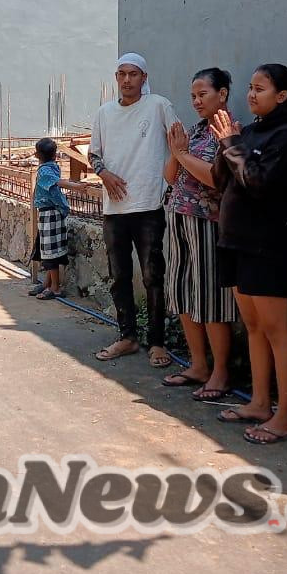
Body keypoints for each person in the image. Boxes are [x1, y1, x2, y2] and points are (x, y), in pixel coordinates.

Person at [210, 64, 287, 446]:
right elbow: (222, 179)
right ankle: (259, 402)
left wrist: (232, 144)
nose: (252, 95)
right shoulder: (248, 131)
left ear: (281, 96)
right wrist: (227, 142)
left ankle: (284, 415)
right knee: (252, 326)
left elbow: (257, 181)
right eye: (250, 88)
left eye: (260, 89)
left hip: (269, 243)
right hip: (236, 240)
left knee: (276, 329)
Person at [89, 53, 179, 366]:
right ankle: (127, 336)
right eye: (122, 74)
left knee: (154, 275)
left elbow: (179, 145)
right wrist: (103, 173)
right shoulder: (104, 113)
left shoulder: (158, 106)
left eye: (134, 74)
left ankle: (157, 343)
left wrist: (169, 183)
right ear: (116, 78)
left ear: (144, 77)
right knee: (119, 276)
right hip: (114, 208)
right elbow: (94, 154)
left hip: (149, 205)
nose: (127, 80)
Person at [159, 68, 237, 402]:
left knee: (210, 298)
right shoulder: (194, 131)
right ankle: (197, 364)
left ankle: (220, 372)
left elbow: (214, 179)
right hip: (178, 217)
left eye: (203, 94)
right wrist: (176, 153)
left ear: (222, 94)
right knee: (183, 292)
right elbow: (169, 176)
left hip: (208, 222)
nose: (196, 101)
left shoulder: (230, 134)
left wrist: (181, 154)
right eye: (193, 95)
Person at [30, 137, 88, 300]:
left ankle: (55, 287)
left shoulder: (45, 172)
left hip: (50, 213)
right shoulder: (53, 168)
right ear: (55, 155)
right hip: (51, 213)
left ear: (37, 155)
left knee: (50, 252)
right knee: (48, 250)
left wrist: (75, 187)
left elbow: (57, 185)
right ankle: (48, 283)